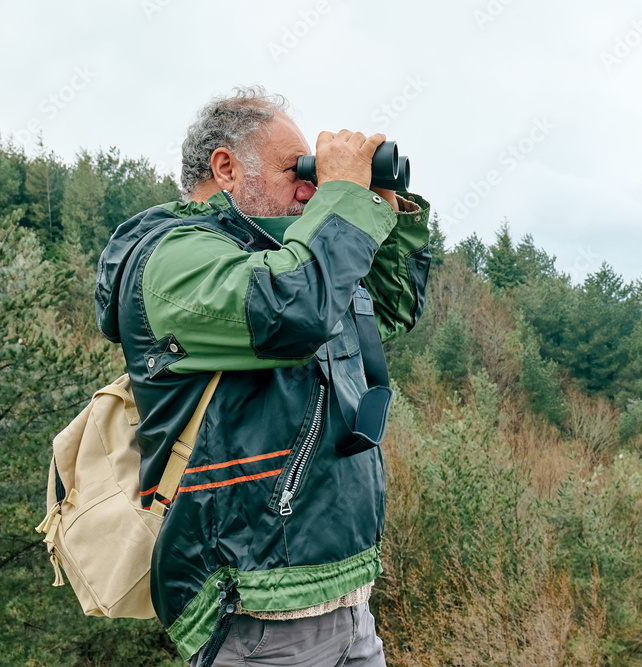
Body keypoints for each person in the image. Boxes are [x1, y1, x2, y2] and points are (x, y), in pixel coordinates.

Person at [94, 86, 431, 666]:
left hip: (347, 598)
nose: (309, 188)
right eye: (296, 170)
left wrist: (375, 204)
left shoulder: (289, 253)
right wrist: (341, 200)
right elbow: (292, 310)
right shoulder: (173, 258)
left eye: (315, 174)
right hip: (256, 615)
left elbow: (392, 305)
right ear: (224, 167)